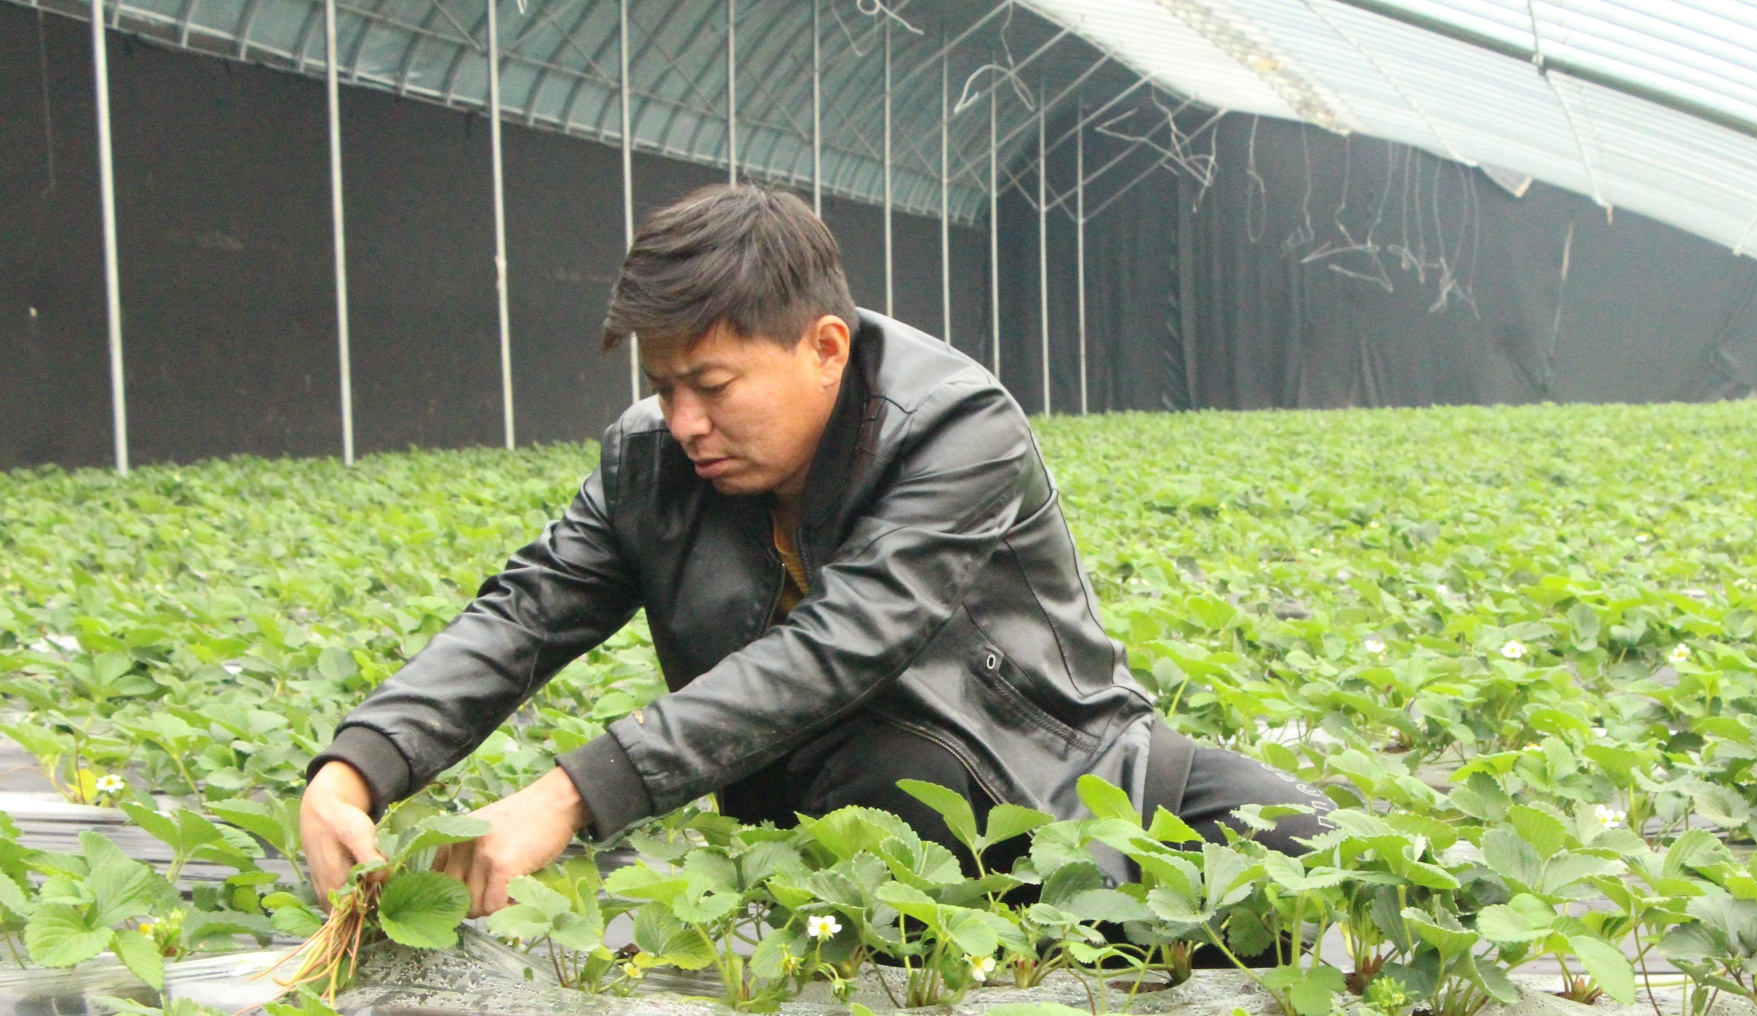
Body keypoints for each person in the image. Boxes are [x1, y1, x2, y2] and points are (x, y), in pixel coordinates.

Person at [299, 182, 1330, 913]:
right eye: (662, 388)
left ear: (824, 348)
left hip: (1075, 772)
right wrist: (357, 766)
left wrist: (568, 795)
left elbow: (840, 646)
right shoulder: (650, 463)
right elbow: (522, 617)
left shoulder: (955, 428)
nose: (683, 421)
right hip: (857, 811)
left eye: (711, 385)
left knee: (1329, 856)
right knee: (879, 780)